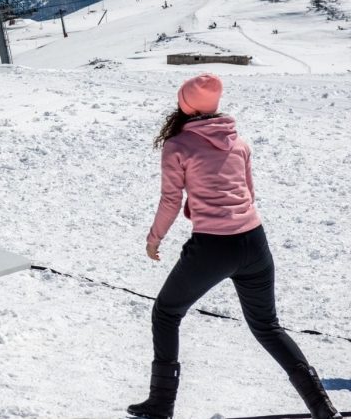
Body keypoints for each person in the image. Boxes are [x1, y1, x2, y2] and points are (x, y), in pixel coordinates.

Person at [128, 74, 338, 419]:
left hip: (213, 246)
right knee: (267, 326)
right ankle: (321, 406)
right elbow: (249, 194)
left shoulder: (178, 145)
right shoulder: (239, 142)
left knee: (166, 312)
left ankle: (161, 404)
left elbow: (170, 199)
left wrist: (154, 239)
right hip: (255, 241)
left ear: (184, 106)